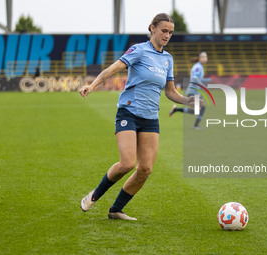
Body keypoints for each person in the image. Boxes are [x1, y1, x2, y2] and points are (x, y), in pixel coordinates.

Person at [79, 13, 194, 220]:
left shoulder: (168, 59)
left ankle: (115, 210)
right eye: (163, 31)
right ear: (152, 28)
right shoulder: (139, 50)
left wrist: (189, 101)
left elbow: (169, 92)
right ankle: (94, 195)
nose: (167, 35)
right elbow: (113, 68)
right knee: (127, 163)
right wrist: (93, 84)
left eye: (170, 32)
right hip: (129, 112)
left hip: (150, 118)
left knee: (145, 169)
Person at [169, 52, 209, 129]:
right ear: (199, 58)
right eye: (203, 57)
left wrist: (206, 80)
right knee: (200, 109)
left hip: (196, 91)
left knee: (197, 109)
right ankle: (195, 125)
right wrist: (203, 86)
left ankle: (176, 109)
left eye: (206, 57)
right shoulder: (198, 67)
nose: (205, 58)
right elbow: (194, 78)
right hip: (194, 91)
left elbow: (197, 78)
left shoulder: (199, 66)